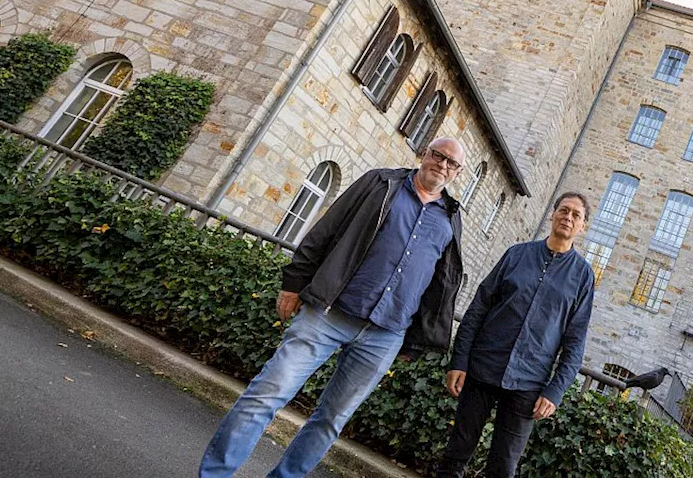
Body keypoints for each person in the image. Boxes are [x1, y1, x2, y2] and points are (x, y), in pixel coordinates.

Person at [199, 138, 468, 478]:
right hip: (329, 314)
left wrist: (415, 340)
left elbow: (440, 284)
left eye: (451, 163)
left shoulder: (450, 218)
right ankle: (215, 474)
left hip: (385, 335)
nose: (442, 165)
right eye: (438, 156)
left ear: (457, 172)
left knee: (330, 421)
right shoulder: (380, 184)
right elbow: (328, 227)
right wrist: (295, 281)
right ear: (424, 155)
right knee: (268, 393)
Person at [436, 192, 595, 478]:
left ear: (583, 226)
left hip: (529, 383)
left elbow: (575, 341)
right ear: (553, 213)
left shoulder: (583, 276)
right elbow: (478, 309)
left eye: (576, 215)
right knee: (456, 452)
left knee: (503, 468)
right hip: (483, 369)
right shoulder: (517, 254)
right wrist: (459, 361)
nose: (568, 217)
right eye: (564, 210)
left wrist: (555, 391)